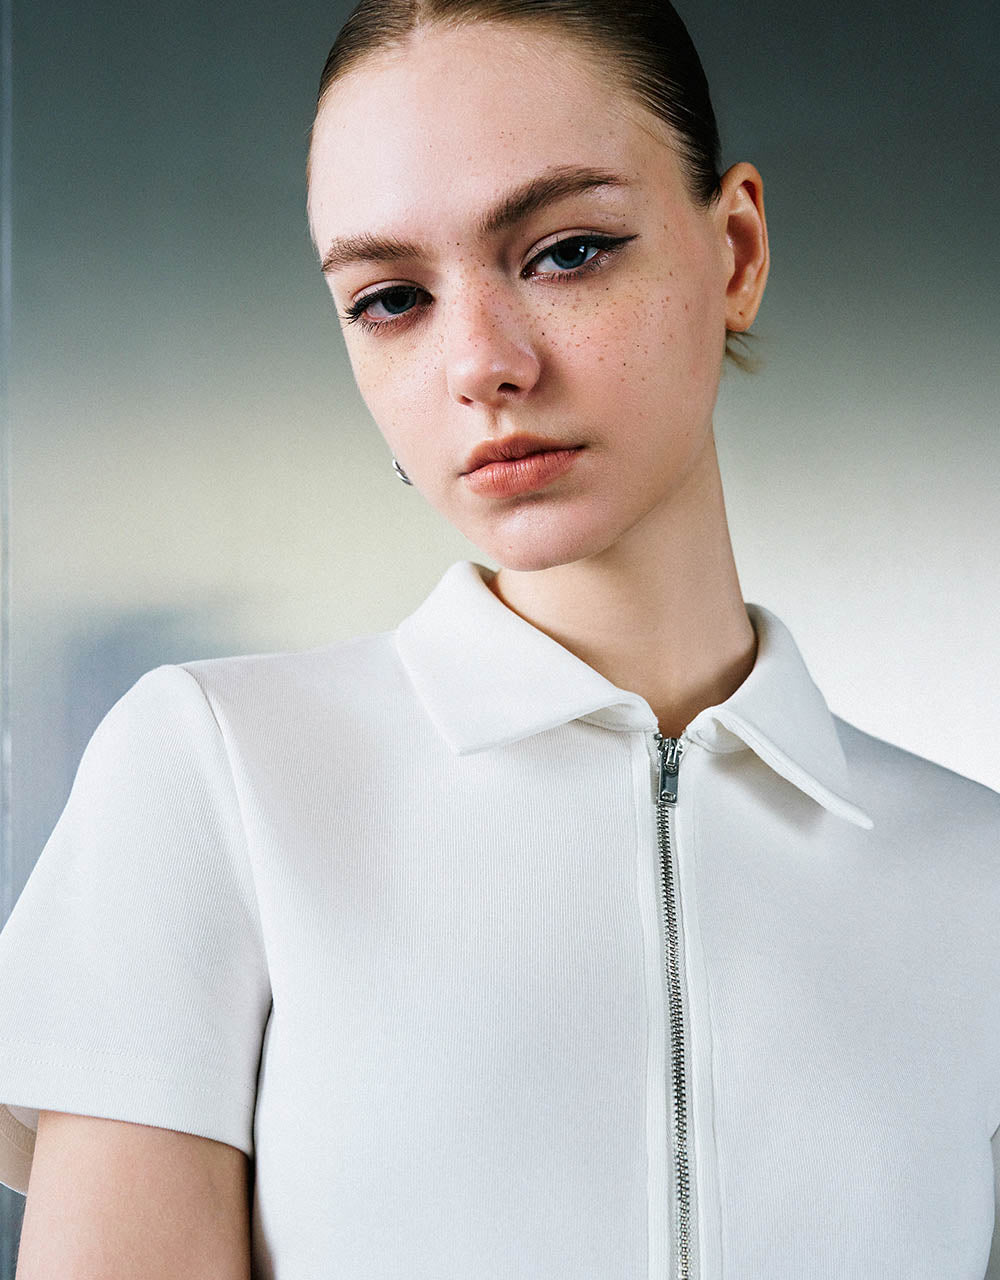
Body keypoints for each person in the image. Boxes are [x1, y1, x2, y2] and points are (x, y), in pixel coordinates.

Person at [1, 1, 998, 1277]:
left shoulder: (976, 878)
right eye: (391, 298)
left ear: (735, 252)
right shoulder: (213, 773)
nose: (481, 363)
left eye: (567, 251)